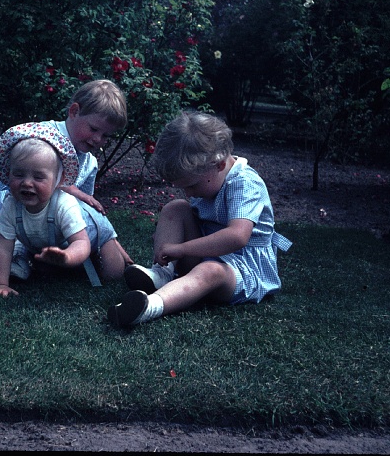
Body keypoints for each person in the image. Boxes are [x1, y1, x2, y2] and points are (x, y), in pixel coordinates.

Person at [0, 79, 132, 281]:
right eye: (94, 129)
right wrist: (73, 190)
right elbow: (22, 174)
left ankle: (22, 260)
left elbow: (86, 214)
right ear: (74, 111)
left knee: (66, 232)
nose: (98, 139)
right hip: (5, 210)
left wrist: (117, 246)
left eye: (106, 136)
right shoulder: (43, 133)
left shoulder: (89, 163)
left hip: (37, 230)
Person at [107, 111, 292, 329]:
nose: (189, 193)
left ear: (219, 165)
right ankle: (162, 274)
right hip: (205, 251)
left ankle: (148, 307)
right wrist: (172, 239)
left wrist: (183, 248)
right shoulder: (209, 177)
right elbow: (191, 218)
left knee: (210, 271)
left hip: (241, 268)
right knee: (176, 207)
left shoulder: (244, 183)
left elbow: (237, 237)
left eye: (192, 186)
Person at [0, 123, 91, 296]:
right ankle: (26, 258)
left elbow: (82, 243)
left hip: (93, 235)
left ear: (58, 180)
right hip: (41, 244)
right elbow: (3, 248)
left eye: (38, 176)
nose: (27, 183)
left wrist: (67, 257)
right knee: (44, 268)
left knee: (113, 271)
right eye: (18, 175)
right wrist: (0, 283)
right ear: (8, 173)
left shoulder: (64, 203)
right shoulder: (11, 205)